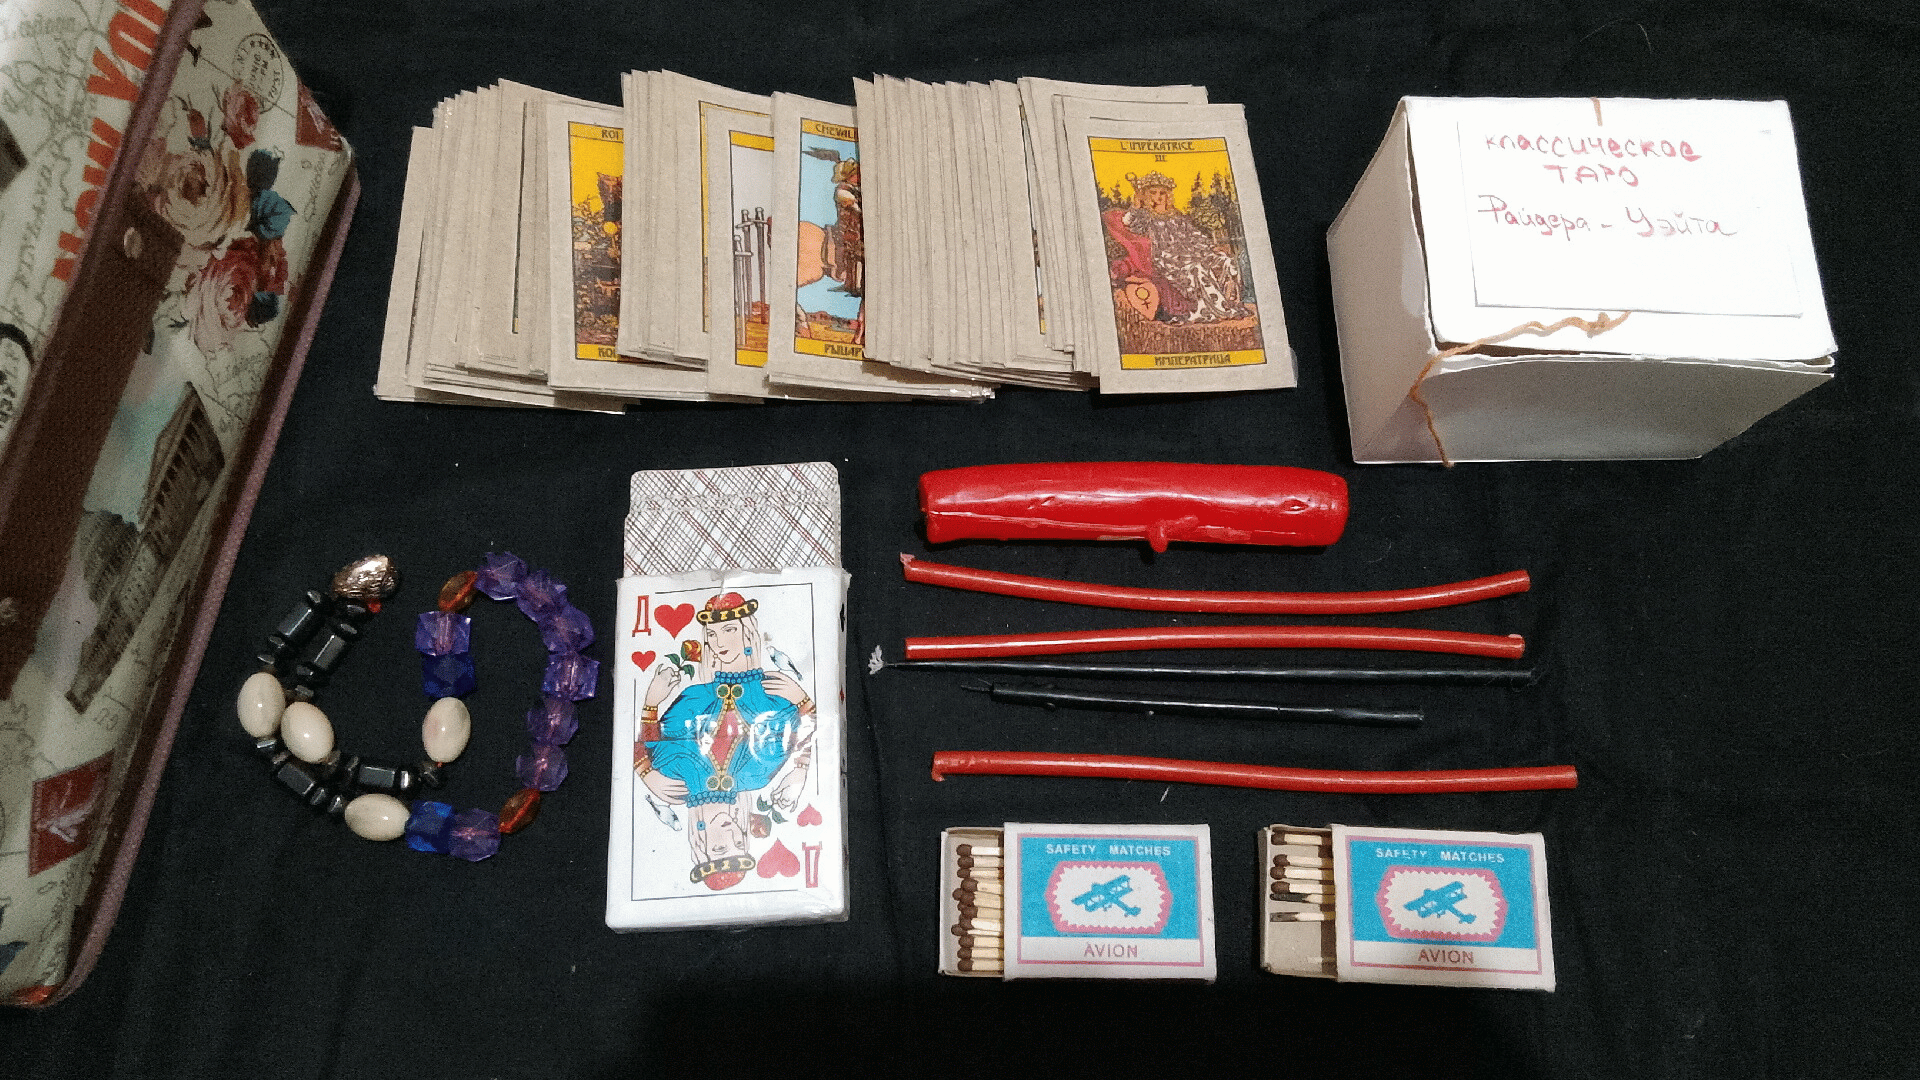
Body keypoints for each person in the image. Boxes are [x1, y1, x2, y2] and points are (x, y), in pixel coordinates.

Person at [633, 591, 815, 890]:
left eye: (729, 629)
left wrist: (647, 767)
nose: (719, 643)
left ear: (700, 840)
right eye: (739, 842)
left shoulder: (671, 784)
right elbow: (804, 729)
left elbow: (646, 744)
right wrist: (800, 763)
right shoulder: (756, 777)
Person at [1106, 170, 1249, 324]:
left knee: (1226, 260)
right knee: (1196, 268)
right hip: (1168, 258)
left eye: (1162, 193)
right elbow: (1129, 223)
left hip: (1192, 252)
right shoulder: (1145, 216)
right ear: (1146, 195)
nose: (1158, 197)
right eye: (1153, 193)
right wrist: (1136, 205)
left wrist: (1212, 247)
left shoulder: (1176, 214)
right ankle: (1216, 310)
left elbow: (1194, 235)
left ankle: (1231, 304)